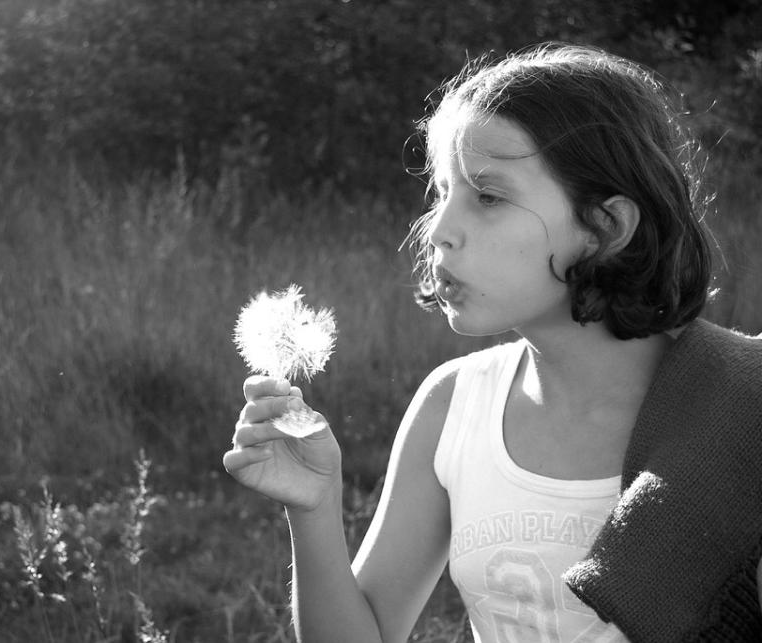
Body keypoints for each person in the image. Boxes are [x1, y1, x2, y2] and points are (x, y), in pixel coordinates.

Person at [224, 43, 762, 643]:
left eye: (488, 196)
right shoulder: (453, 405)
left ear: (606, 227)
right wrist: (315, 506)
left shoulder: (741, 413)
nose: (441, 231)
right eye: (441, 193)